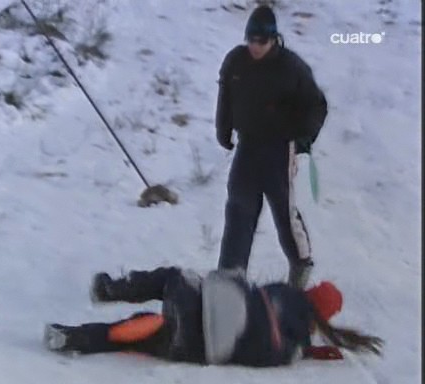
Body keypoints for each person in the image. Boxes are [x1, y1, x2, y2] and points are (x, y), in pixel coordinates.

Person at [44, 268, 382, 367]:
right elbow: (270, 349)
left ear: (309, 293)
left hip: (198, 303)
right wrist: (314, 352)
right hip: (198, 347)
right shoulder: (293, 347)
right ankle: (71, 337)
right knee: (144, 333)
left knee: (169, 278)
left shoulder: (285, 293)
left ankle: (109, 289)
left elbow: (239, 285)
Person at [215, 5, 328, 289]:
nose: (254, 46)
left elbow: (316, 105)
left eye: (261, 41)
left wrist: (304, 137)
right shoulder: (235, 62)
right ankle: (230, 274)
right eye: (250, 40)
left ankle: (301, 263)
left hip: (279, 149)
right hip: (248, 145)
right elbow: (225, 97)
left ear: (274, 39)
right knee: (239, 207)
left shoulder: (291, 67)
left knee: (283, 211)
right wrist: (223, 129)